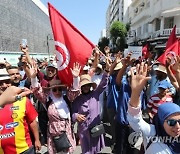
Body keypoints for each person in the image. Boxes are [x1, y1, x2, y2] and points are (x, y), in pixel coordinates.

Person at [127, 62, 180, 154]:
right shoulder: (151, 133)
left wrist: (178, 72)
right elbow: (134, 119)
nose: (178, 127)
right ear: (161, 121)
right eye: (172, 122)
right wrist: (135, 93)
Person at [30, 63, 77, 154]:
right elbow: (37, 90)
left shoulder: (66, 98)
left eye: (59, 89)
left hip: (67, 132)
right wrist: (33, 77)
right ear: (51, 90)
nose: (57, 92)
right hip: (54, 133)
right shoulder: (47, 100)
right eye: (54, 90)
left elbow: (75, 90)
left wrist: (75, 78)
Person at [72, 60, 110, 154]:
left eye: (88, 85)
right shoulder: (77, 99)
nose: (86, 87)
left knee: (96, 149)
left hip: (95, 128)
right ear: (81, 87)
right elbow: (72, 113)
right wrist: (76, 116)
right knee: (86, 150)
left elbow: (103, 84)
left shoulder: (95, 94)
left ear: (90, 86)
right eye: (84, 86)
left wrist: (107, 71)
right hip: (84, 130)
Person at [0, 68, 41, 154]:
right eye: (0, 83)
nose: (4, 85)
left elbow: (32, 121)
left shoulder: (23, 100)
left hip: (25, 149)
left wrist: (37, 140)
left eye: (7, 82)